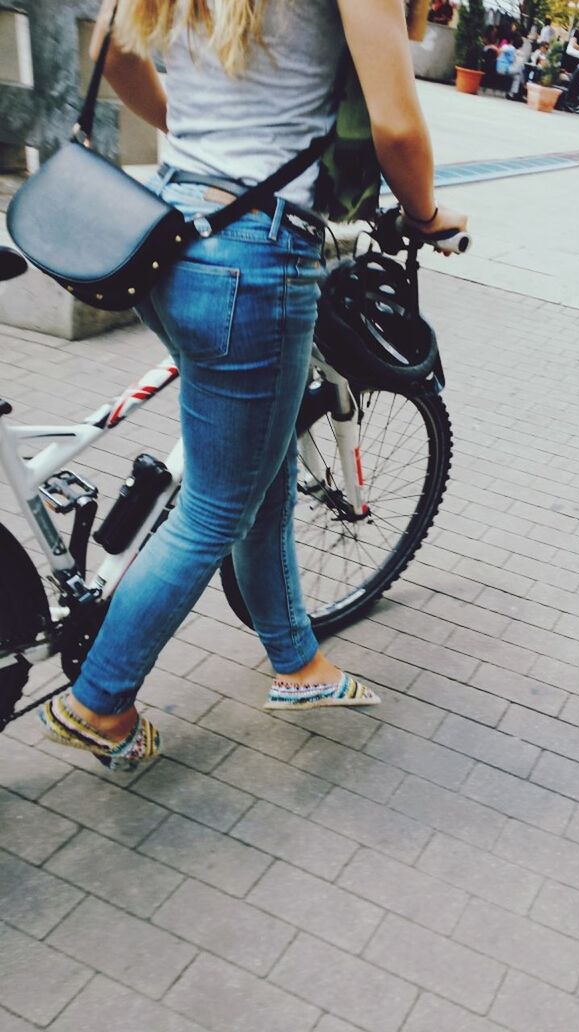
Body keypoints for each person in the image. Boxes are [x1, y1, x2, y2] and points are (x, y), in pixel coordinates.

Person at [37, 0, 468, 770]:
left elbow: (112, 52)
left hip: (166, 231)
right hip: (254, 260)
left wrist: (205, 153)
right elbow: (397, 126)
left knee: (255, 475)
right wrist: (430, 216)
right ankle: (99, 703)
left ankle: (296, 662)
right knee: (212, 510)